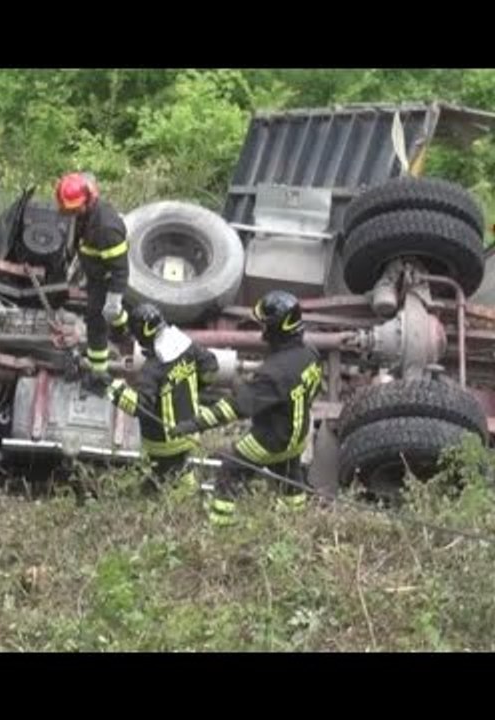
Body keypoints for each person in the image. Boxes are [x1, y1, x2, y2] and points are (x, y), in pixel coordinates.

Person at [169, 290, 323, 526]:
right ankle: (296, 521)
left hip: (271, 440)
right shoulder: (310, 354)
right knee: (291, 477)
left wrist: (193, 424)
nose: (262, 332)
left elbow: (234, 409)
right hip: (297, 436)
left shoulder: (274, 373)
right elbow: (311, 391)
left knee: (231, 467)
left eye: (265, 326)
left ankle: (220, 525)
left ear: (277, 328)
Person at [96, 302, 218, 494]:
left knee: (169, 475)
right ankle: (171, 494)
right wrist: (195, 388)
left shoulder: (152, 370)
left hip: (164, 440)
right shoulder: (187, 347)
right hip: (189, 429)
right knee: (175, 471)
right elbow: (211, 368)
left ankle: (180, 506)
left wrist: (109, 385)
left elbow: (140, 407)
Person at [54, 172, 129, 382]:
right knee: (109, 315)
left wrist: (113, 300)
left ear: (88, 200)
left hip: (106, 280)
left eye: (74, 209)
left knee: (97, 323)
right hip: (94, 272)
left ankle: (100, 374)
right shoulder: (86, 214)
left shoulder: (107, 228)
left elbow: (120, 270)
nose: (71, 213)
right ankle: (123, 328)